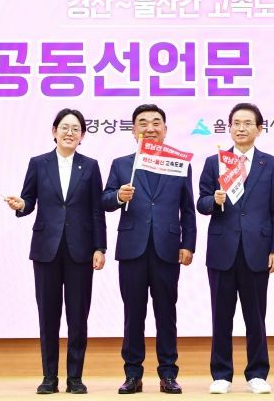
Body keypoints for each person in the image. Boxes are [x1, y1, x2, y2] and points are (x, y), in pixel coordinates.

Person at [6, 108, 106, 394]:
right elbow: (28, 200)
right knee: (48, 316)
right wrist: (21, 205)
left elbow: (96, 211)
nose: (69, 133)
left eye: (76, 129)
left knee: (78, 316)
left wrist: (99, 247)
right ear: (54, 131)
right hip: (46, 250)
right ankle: (49, 377)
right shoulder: (38, 163)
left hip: (81, 251)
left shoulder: (90, 166)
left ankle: (75, 377)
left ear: (82, 135)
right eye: (65, 127)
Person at [102, 104, 197, 395]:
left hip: (167, 248)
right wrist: (119, 196)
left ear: (165, 130)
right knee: (133, 314)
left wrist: (188, 244)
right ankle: (133, 374)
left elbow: (188, 209)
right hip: (132, 248)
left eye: (156, 123)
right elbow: (105, 200)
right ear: (134, 131)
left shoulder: (179, 164)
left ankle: (168, 374)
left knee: (166, 313)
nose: (150, 128)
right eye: (142, 123)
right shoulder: (121, 164)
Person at [196, 103, 274, 394]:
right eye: (236, 123)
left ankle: (257, 373)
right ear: (229, 128)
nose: (241, 128)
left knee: (255, 317)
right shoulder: (215, 162)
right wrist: (214, 200)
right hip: (222, 250)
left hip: (257, 250)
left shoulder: (271, 164)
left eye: (248, 123)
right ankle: (221, 374)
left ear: (259, 129)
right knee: (221, 316)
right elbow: (201, 203)